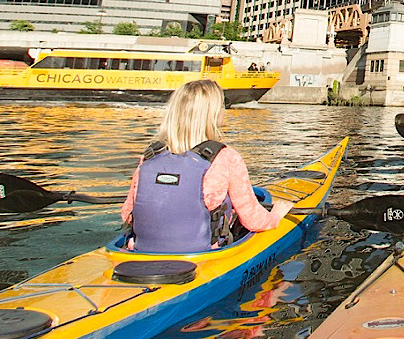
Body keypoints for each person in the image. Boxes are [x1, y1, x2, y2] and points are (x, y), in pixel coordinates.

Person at [121, 79, 292, 253]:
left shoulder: (150, 156)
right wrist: (275, 216)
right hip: (204, 253)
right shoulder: (226, 157)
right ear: (214, 114)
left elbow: (127, 214)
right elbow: (252, 220)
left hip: (143, 250)